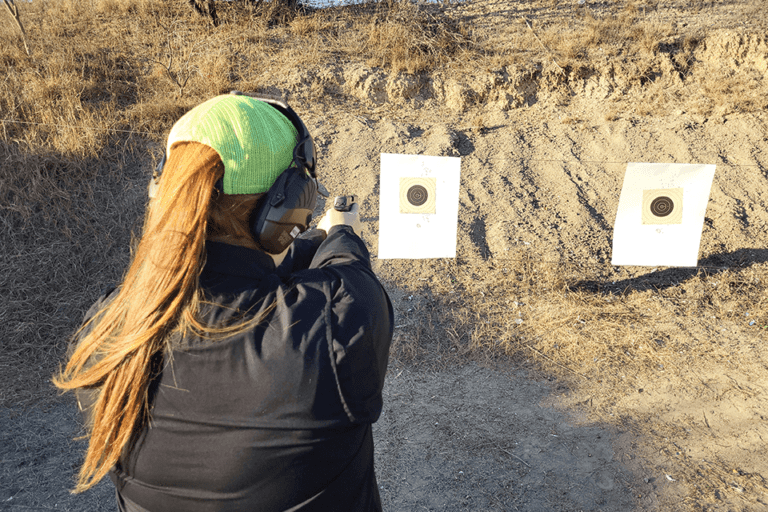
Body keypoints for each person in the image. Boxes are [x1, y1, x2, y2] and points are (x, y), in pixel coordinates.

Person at [54, 93, 394, 512]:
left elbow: (249, 271)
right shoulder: (336, 327)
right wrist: (341, 230)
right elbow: (347, 270)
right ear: (287, 207)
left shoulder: (107, 333)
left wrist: (304, 242)